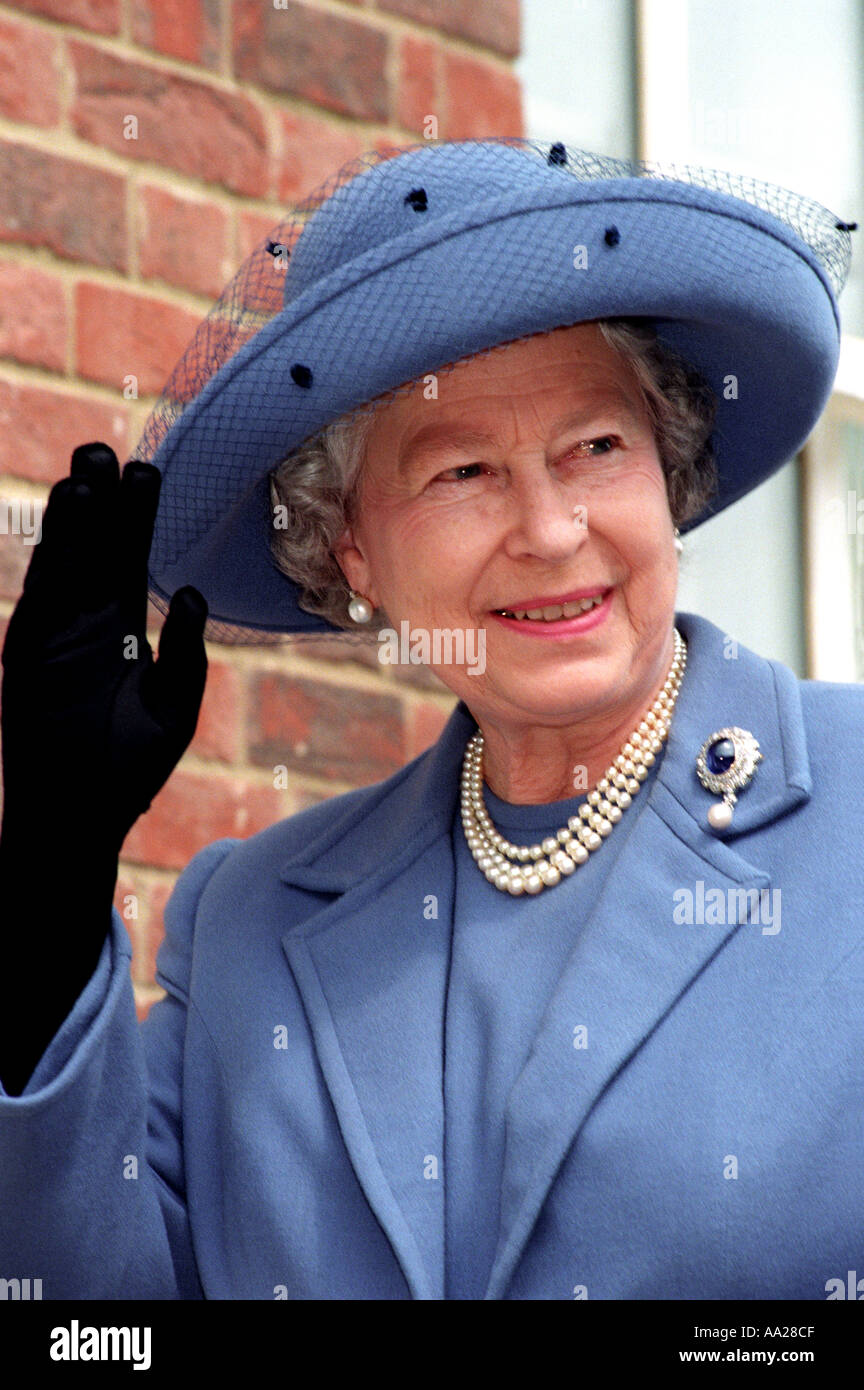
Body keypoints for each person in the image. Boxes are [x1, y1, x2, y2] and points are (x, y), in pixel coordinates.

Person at [1, 138, 862, 1301]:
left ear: (668, 468)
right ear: (350, 548)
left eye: (596, 447)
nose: (552, 530)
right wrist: (51, 870)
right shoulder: (248, 926)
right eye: (462, 472)